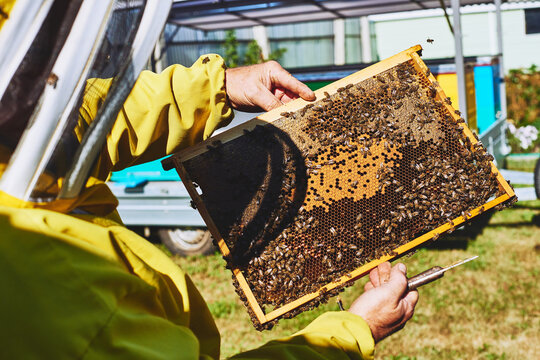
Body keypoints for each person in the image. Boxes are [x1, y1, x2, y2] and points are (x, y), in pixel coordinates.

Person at [0, 2, 418, 359]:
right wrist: (353, 332)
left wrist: (219, 86)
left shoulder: (17, 117)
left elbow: (70, 116)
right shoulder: (58, 289)